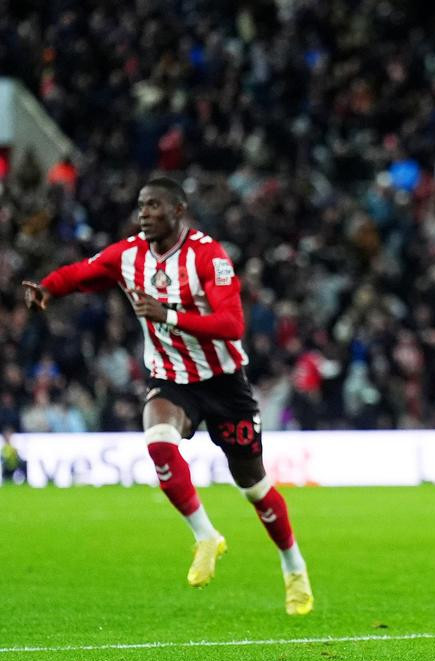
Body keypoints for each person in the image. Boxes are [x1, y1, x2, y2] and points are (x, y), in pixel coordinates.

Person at [22, 177, 314, 615]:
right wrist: (47, 288)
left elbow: (232, 325)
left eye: (154, 205)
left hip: (224, 383)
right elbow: (82, 274)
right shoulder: (129, 255)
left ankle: (293, 565)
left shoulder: (208, 257)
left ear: (178, 211)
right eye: (141, 205)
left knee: (254, 487)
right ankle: (206, 537)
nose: (144, 213)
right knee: (158, 441)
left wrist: (169, 316)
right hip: (171, 379)